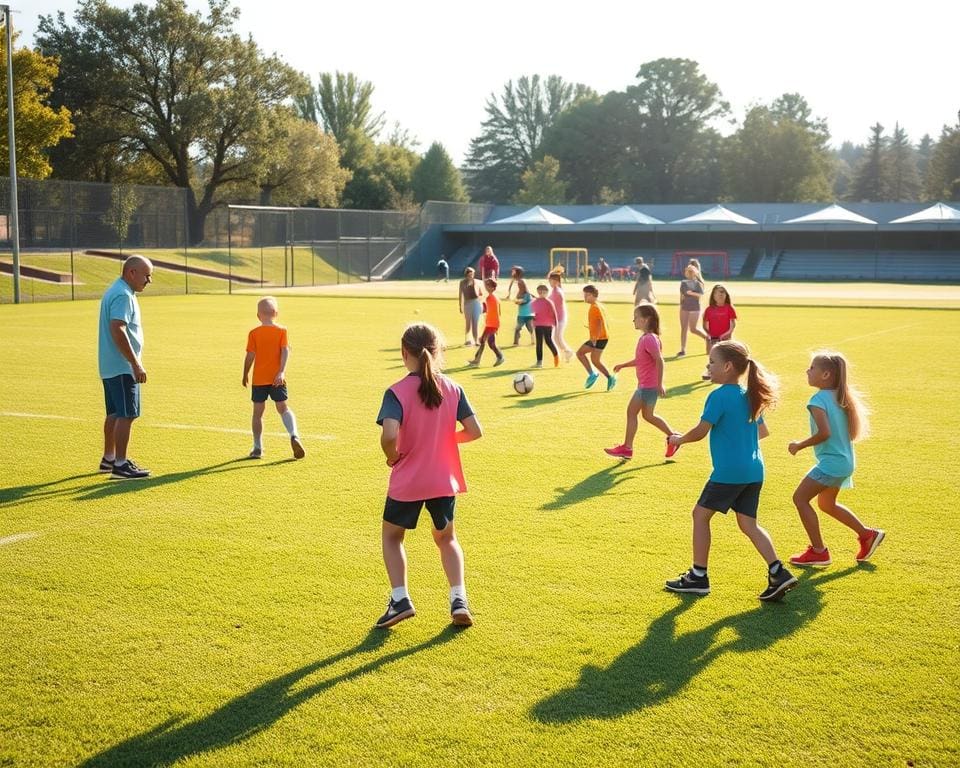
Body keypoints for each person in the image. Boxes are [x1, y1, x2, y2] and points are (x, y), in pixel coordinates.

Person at [665, 341, 798, 601]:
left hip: (729, 473)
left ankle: (698, 576)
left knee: (700, 515)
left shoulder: (719, 395)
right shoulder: (749, 395)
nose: (708, 366)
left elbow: (701, 431)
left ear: (727, 366)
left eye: (712, 362)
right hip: (754, 470)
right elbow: (763, 432)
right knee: (749, 523)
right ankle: (778, 571)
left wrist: (678, 440)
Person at [375, 323, 483, 628]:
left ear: (403, 353)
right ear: (438, 352)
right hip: (442, 479)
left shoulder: (396, 391)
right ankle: (458, 598)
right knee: (447, 539)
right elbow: (475, 431)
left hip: (409, 480)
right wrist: (444, 440)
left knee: (392, 537)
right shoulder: (452, 388)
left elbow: (388, 435)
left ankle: (400, 599)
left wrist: (392, 455)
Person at [787, 352, 884, 567]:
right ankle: (867, 535)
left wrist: (799, 445)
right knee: (827, 504)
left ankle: (819, 552)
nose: (807, 371)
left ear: (826, 374)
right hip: (845, 462)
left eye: (812, 368)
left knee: (800, 499)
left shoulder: (817, 400)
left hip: (832, 464)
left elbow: (825, 433)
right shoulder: (841, 397)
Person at [97, 254, 154, 480]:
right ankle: (120, 465)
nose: (148, 281)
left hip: (110, 365)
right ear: (132, 273)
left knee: (114, 413)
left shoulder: (117, 290)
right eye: (146, 276)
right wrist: (135, 363)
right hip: (122, 366)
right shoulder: (122, 294)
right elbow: (118, 329)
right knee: (127, 414)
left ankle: (109, 458)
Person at [604, 304, 677, 460]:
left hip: (647, 386)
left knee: (632, 412)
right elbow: (641, 360)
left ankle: (627, 448)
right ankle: (674, 438)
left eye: (636, 317)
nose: (633, 320)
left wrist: (659, 383)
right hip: (647, 385)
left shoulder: (649, 338)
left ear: (646, 320)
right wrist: (623, 365)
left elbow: (659, 360)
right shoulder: (647, 338)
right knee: (648, 416)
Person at [242, 296, 305, 460]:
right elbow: (285, 351)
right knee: (283, 408)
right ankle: (294, 435)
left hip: (259, 380)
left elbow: (250, 356)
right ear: (276, 313)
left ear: (258, 315)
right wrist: (281, 372)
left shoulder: (254, 333)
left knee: (258, 413)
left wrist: (245, 373)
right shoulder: (282, 331)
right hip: (277, 379)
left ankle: (257, 447)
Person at [576, 284, 616, 391]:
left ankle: (592, 374)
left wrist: (594, 337)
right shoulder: (597, 305)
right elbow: (600, 322)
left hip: (598, 338)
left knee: (580, 353)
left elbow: (598, 322)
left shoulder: (594, 307)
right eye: (584, 294)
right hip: (602, 337)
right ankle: (610, 377)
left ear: (593, 295)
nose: (584, 297)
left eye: (586, 295)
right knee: (595, 360)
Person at [700, 284, 737, 379]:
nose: (720, 294)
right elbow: (704, 325)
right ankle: (709, 371)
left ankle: (728, 373)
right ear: (713, 296)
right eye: (718, 292)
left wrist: (726, 334)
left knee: (726, 356)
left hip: (726, 338)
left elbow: (733, 324)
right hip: (713, 338)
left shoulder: (729, 308)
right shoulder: (709, 310)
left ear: (726, 295)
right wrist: (709, 335)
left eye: (722, 292)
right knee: (712, 355)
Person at [467, 278, 504, 367]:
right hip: (490, 324)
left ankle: (500, 357)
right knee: (483, 341)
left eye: (488, 285)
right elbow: (490, 310)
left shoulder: (491, 298)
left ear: (492, 287)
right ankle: (477, 360)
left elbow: (490, 310)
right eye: (486, 284)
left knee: (490, 343)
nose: (486, 287)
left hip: (492, 324)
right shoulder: (492, 297)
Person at [677, 263, 707, 357]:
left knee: (693, 329)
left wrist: (692, 293)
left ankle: (707, 338)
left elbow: (700, 295)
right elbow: (682, 295)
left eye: (691, 271)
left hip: (695, 307)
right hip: (685, 307)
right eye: (687, 271)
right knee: (684, 328)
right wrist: (681, 305)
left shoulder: (698, 283)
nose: (689, 273)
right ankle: (683, 349)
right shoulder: (683, 283)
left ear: (695, 273)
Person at [530, 283, 559, 368]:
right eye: (539, 291)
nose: (541, 293)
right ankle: (539, 362)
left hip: (548, 325)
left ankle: (556, 357)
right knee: (539, 343)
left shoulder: (549, 302)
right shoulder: (535, 302)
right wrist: (533, 318)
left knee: (548, 341)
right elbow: (533, 313)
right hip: (538, 325)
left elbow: (554, 314)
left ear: (547, 292)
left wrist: (556, 325)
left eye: (543, 291)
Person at [548, 271, 574, 362]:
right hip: (558, 318)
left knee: (557, 337)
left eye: (550, 280)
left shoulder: (557, 292)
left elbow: (551, 304)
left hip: (560, 318)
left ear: (555, 281)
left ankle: (568, 352)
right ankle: (566, 352)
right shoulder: (556, 290)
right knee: (556, 337)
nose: (549, 282)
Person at [458, 267, 483, 346]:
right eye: (469, 274)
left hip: (476, 303)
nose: (471, 276)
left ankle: (476, 340)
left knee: (475, 322)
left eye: (472, 274)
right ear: (466, 274)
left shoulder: (476, 282)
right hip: (467, 304)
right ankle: (467, 339)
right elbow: (460, 294)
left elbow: (480, 293)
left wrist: (480, 302)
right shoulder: (462, 282)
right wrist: (460, 305)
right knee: (468, 323)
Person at [512, 277, 536, 346]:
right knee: (517, 328)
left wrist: (518, 301)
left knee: (531, 329)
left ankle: (533, 341)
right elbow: (516, 301)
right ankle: (516, 342)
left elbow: (524, 301)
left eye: (520, 285)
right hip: (521, 315)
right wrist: (517, 301)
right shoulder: (519, 294)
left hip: (529, 315)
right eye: (518, 285)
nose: (519, 286)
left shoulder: (527, 294)